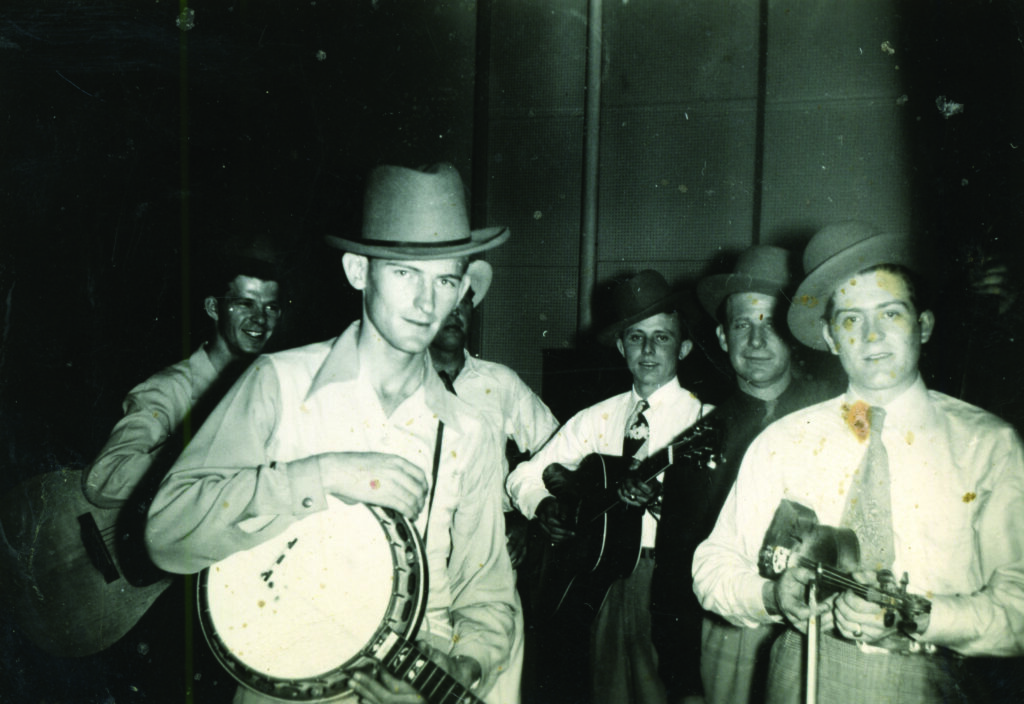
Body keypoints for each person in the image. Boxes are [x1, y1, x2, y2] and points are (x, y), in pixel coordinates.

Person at [144, 163, 516, 704]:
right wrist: (323, 475)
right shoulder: (278, 383)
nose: (427, 303)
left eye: (444, 280)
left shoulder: (469, 431)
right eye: (404, 273)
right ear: (359, 271)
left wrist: (460, 669)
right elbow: (166, 532)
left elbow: (487, 595)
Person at [693, 221, 1024, 703]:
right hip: (802, 670)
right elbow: (713, 564)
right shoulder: (783, 440)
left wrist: (919, 615)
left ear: (923, 325)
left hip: (934, 677)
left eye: (890, 313)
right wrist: (771, 596)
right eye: (850, 319)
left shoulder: (989, 445)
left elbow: (1018, 604)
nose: (871, 336)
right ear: (830, 337)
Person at [505, 270, 713, 704]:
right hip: (600, 580)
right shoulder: (595, 418)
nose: (648, 350)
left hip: (669, 578)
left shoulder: (706, 422)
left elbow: (718, 512)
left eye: (662, 337)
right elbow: (523, 475)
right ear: (621, 347)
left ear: (684, 348)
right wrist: (542, 506)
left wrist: (664, 505)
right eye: (636, 337)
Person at [650, 245, 839, 704]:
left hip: (829, 635)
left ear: (795, 333)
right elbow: (674, 574)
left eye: (771, 323)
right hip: (730, 638)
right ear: (721, 336)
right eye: (741, 325)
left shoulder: (836, 419)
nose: (755, 341)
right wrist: (684, 684)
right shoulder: (695, 444)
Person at [429, 258, 560, 704]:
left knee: (491, 682)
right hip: (420, 561)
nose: (456, 313)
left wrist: (528, 519)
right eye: (447, 300)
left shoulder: (499, 383)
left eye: (465, 302)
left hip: (488, 560)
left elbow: (559, 454)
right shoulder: (400, 385)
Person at [83, 251, 283, 509]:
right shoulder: (170, 387)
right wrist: (203, 448)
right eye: (245, 303)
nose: (260, 318)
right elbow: (104, 480)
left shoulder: (269, 386)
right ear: (213, 308)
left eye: (271, 307)